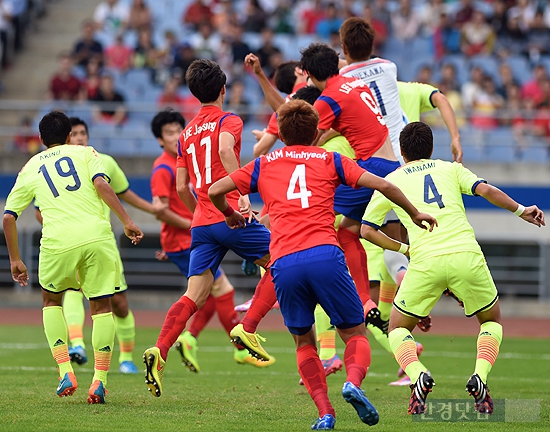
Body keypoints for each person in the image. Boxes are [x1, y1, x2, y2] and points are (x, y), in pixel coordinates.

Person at [208, 99, 437, 429]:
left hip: (284, 263)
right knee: (355, 333)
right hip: (325, 257)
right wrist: (414, 212)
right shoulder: (331, 159)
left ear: (282, 134)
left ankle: (325, 413)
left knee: (304, 343)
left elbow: (217, 190)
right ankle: (353, 384)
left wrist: (231, 215)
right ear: (317, 130)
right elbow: (384, 184)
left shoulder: (265, 163)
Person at [361, 121, 545, 415]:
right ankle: (480, 377)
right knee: (491, 321)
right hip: (466, 255)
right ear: (431, 148)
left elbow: (367, 231)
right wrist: (522, 210)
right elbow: (485, 189)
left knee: (396, 328)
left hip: (424, 261)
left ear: (402, 152)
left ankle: (417, 373)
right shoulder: (450, 168)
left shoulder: (390, 181)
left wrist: (405, 249)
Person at [143, 59, 274, 398]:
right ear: (223, 90)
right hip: (231, 216)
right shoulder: (229, 120)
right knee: (282, 260)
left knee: (194, 295)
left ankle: (160, 349)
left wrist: (201, 212)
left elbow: (183, 187)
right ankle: (247, 328)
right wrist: (242, 196)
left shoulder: (185, 135)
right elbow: (225, 149)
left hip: (202, 223)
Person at [3, 111, 143, 404]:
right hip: (97, 237)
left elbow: (8, 217)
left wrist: (16, 259)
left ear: (41, 140)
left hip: (57, 243)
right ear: (70, 136)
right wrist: (127, 220)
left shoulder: (30, 167)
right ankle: (100, 381)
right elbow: (102, 185)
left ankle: (65, 370)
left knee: (52, 301)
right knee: (102, 306)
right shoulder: (86, 152)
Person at [36, 117, 163, 374]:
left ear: (84, 135)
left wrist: (152, 210)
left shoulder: (101, 161)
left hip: (101, 242)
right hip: (71, 242)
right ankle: (78, 345)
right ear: (69, 137)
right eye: (77, 133)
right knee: (71, 292)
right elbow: (39, 210)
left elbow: (123, 193)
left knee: (118, 304)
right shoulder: (49, 166)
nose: (80, 137)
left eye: (83, 132)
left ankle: (126, 358)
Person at [300, 42, 398, 326]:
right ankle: (366, 302)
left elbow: (305, 141)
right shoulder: (352, 83)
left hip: (372, 166)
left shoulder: (327, 99)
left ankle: (306, 280)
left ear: (309, 73)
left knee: (313, 208)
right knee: (348, 231)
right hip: (389, 164)